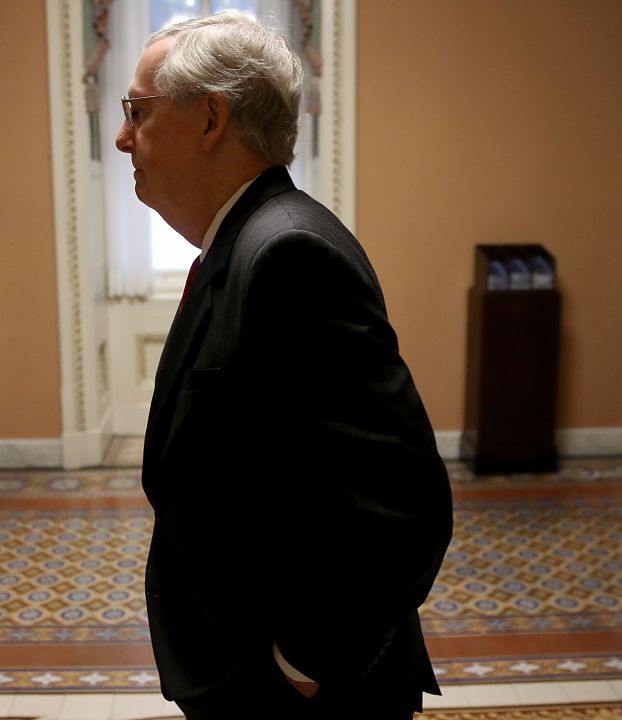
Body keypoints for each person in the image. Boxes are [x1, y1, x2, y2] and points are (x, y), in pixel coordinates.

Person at [117, 11, 453, 719]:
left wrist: (296, 670)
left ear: (210, 118)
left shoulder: (288, 255)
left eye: (137, 112)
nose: (123, 138)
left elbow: (403, 507)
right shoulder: (240, 241)